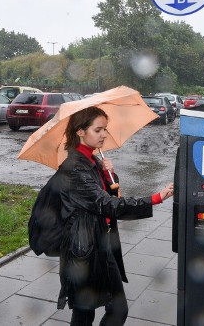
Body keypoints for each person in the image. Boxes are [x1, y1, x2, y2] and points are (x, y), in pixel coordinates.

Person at [55, 106, 174, 326]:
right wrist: (155, 198)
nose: (104, 135)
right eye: (98, 129)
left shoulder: (91, 162)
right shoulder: (75, 169)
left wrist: (110, 173)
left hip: (99, 244)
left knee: (96, 311)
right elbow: (108, 205)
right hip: (84, 252)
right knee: (96, 311)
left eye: (105, 129)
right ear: (80, 131)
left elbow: (107, 193)